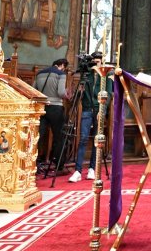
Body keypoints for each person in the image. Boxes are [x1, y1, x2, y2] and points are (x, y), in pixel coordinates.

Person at [68, 52, 113, 183]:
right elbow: (80, 93)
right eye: (93, 62)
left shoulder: (106, 75)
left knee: (96, 140)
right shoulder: (86, 75)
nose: (95, 64)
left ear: (101, 62)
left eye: (98, 62)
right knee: (82, 138)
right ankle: (78, 170)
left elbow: (108, 95)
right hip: (87, 109)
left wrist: (102, 109)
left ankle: (92, 168)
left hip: (99, 109)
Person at [34, 58, 69, 171]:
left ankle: (35, 163)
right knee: (59, 136)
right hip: (55, 108)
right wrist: (67, 94)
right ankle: (59, 165)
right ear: (62, 65)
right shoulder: (61, 74)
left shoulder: (39, 73)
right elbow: (60, 92)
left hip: (41, 107)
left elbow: (33, 90)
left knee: (38, 136)